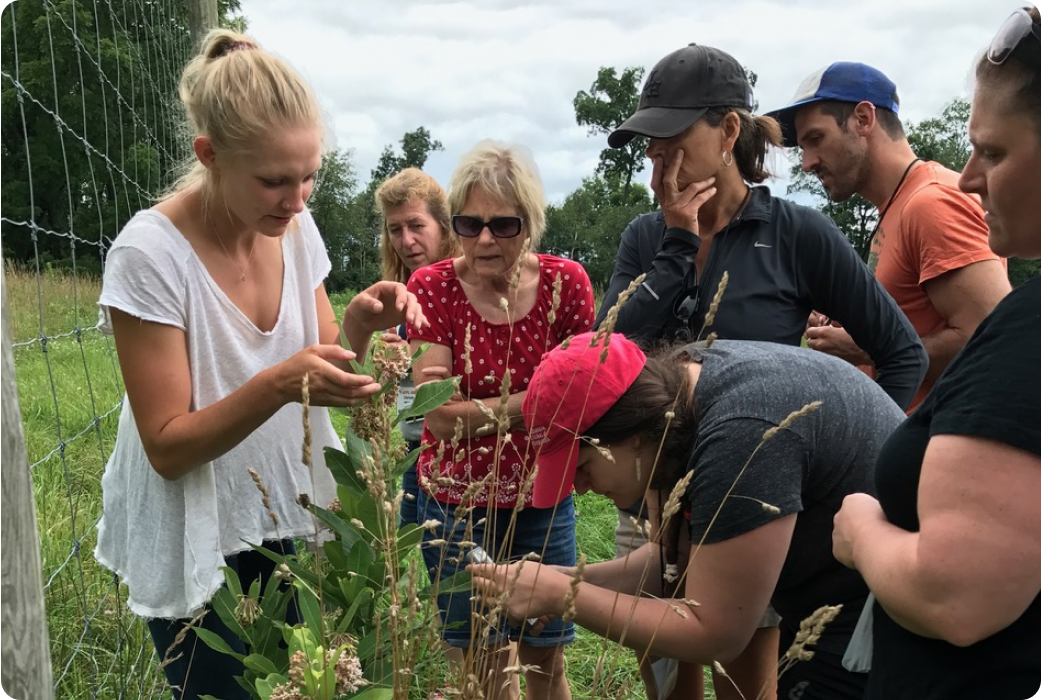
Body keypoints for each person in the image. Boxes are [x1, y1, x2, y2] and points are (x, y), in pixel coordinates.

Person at [92, 30, 425, 700]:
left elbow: (325, 371)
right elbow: (166, 447)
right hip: (197, 521)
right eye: (274, 180)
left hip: (284, 509)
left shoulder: (294, 227)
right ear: (208, 155)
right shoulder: (148, 257)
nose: (298, 200)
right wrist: (277, 383)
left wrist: (359, 321)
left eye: (309, 177)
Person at [596, 43, 927, 699]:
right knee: (664, 676)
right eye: (646, 143)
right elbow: (604, 362)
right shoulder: (645, 237)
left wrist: (858, 474)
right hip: (653, 499)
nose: (656, 158)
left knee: (740, 680)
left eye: (670, 137)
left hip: (753, 507)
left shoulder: (795, 234)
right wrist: (676, 246)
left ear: (725, 133)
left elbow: (902, 350)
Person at [470, 330, 907, 700]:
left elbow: (717, 632)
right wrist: (566, 579)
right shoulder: (682, 389)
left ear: (635, 433)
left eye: (582, 466)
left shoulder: (742, 435)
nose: (580, 487)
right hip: (831, 598)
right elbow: (673, 561)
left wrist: (563, 598)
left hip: (883, 619)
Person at [832, 8, 1041, 698]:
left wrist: (861, 529)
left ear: (864, 120)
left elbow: (957, 599)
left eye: (995, 152)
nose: (968, 176)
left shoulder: (929, 208)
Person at [406, 139, 594, 700]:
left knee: (545, 660)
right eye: (470, 223)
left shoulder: (567, 285)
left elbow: (583, 399)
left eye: (503, 225)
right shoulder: (433, 288)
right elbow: (438, 418)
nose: (484, 239)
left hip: (543, 500)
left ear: (530, 223)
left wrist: (485, 411)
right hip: (454, 505)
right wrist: (536, 399)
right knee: (486, 669)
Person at [766, 61, 1010, 411]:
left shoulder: (931, 203)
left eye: (815, 140)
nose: (807, 162)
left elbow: (992, 340)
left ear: (864, 119)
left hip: (936, 450)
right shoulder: (900, 205)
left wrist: (868, 346)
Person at [374, 167, 458, 526]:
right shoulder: (399, 290)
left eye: (416, 226)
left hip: (458, 447)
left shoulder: (466, 288)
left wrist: (414, 357)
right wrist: (387, 367)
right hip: (412, 448)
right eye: (395, 229)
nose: (406, 240)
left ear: (444, 225)